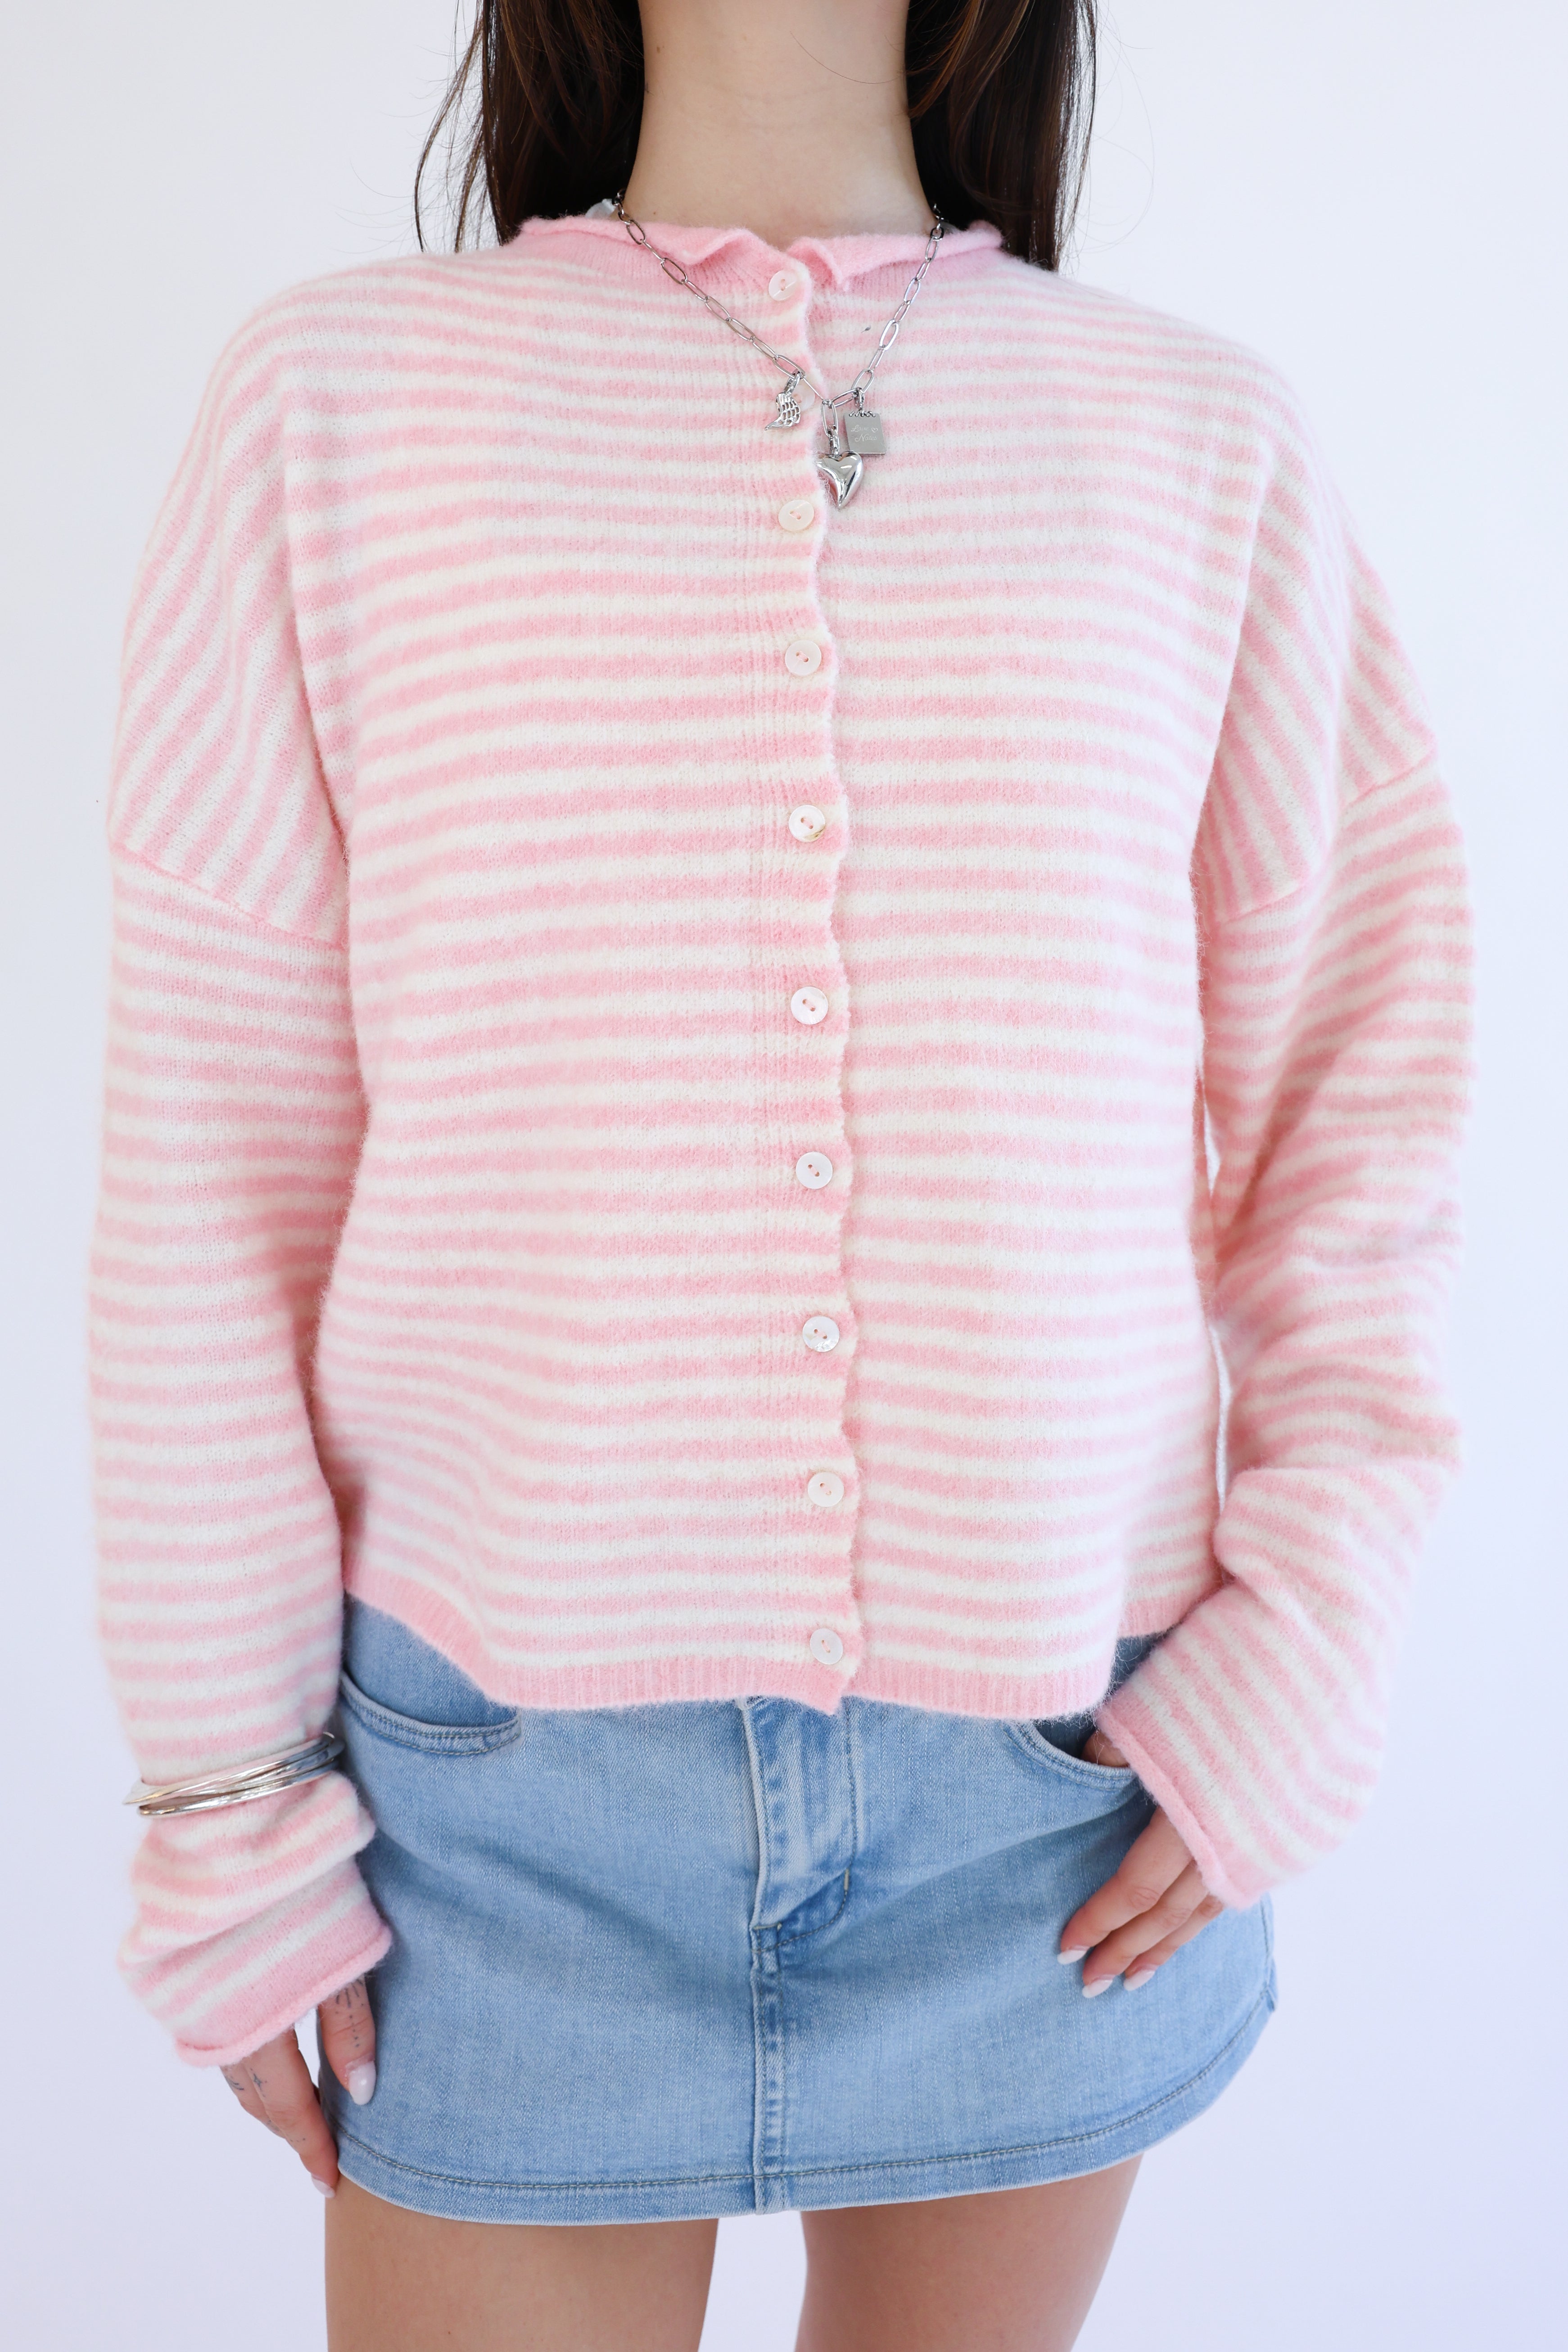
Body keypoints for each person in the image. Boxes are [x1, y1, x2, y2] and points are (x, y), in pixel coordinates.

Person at [89, 1, 1472, 2345]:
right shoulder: (333, 407)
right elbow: (211, 1157)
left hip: (1056, 1806)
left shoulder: (1196, 437)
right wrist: (226, 1796)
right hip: (484, 1821)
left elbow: (1370, 1103)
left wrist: (1308, 1652)